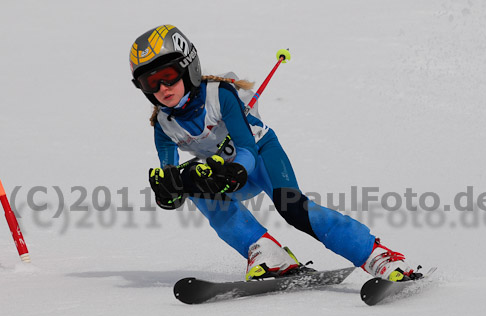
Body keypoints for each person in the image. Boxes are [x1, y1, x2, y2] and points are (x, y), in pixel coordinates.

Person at [130, 25, 421, 282]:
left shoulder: (220, 94)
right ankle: (266, 251)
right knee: (192, 179)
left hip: (259, 156)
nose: (162, 88)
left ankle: (377, 256)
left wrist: (237, 170)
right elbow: (170, 175)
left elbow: (246, 148)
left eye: (168, 76)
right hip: (225, 172)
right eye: (150, 83)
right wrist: (170, 191)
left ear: (188, 68)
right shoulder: (163, 125)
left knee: (292, 207)